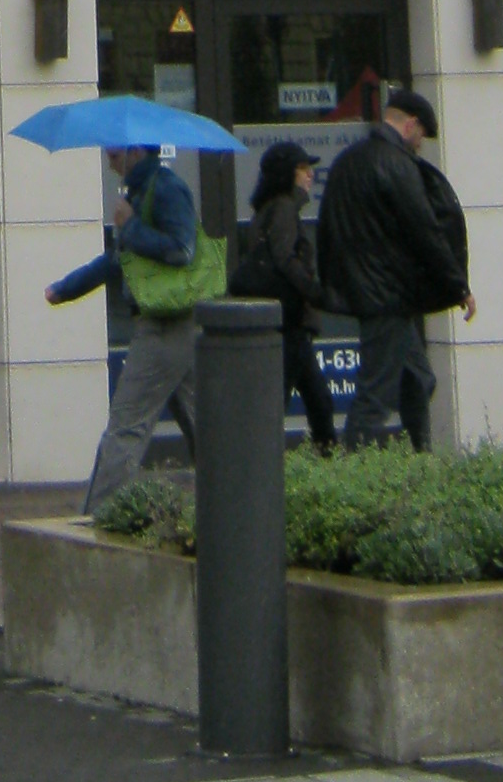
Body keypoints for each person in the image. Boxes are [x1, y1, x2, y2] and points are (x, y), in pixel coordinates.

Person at [46, 141, 227, 514]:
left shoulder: (166, 189)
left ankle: (97, 518)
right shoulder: (140, 193)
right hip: (174, 323)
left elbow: (182, 249)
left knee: (126, 426)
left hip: (166, 324)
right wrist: (66, 288)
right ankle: (235, 506)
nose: (110, 164)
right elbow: (118, 260)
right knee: (206, 427)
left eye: (114, 156)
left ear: (136, 152)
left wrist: (130, 227)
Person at [313, 87, 473, 452]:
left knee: (419, 377)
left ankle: (421, 455)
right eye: (421, 136)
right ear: (410, 125)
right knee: (375, 394)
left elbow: (329, 229)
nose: (420, 145)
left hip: (364, 290)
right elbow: (425, 231)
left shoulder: (347, 161)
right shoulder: (397, 164)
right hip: (388, 295)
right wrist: (458, 286)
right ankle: (356, 469)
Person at [234, 139, 338, 455]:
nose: (310, 175)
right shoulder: (283, 208)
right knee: (284, 399)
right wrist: (315, 292)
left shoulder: (268, 209)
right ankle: (263, 462)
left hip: (289, 321)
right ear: (286, 174)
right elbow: (284, 259)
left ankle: (327, 460)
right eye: (303, 168)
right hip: (290, 319)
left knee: (317, 399)